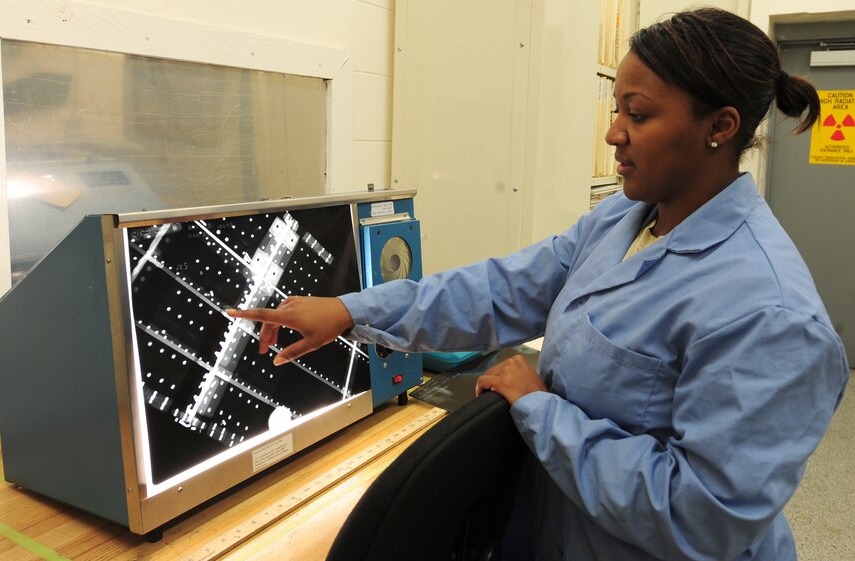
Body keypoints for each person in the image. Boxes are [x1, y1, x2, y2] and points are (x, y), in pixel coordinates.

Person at [228, 8, 849, 561]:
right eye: (617, 112)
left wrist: (539, 408)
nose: (614, 135)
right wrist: (348, 309)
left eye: (639, 115)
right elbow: (502, 290)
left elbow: (700, 518)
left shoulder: (769, 313)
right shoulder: (625, 218)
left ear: (720, 126)